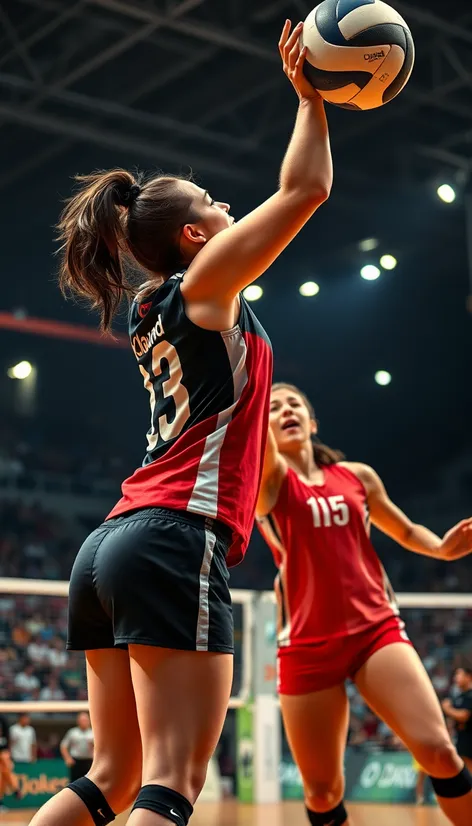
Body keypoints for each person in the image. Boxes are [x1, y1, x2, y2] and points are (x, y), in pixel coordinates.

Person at [29, 21, 332, 826]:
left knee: (112, 777)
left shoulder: (153, 303)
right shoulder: (201, 286)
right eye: (214, 203)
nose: (230, 204)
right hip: (172, 537)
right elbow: (306, 191)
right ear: (195, 238)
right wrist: (312, 99)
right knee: (170, 782)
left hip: (109, 545)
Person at [256, 382, 472, 826]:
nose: (286, 410)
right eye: (274, 408)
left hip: (375, 630)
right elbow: (257, 434)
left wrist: (442, 550)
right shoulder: (269, 479)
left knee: (438, 751)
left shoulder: (358, 476)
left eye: (295, 404)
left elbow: (407, 530)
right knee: (321, 792)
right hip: (306, 645)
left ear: (313, 422)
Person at [443, 661, 472, 773]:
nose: (456, 678)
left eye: (459, 675)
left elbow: (464, 716)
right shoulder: (459, 696)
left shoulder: (470, 695)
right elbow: (453, 720)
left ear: (469, 677)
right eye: (455, 675)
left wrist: (447, 709)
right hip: (461, 738)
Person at [61, 713, 94, 783]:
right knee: (75, 782)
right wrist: (68, 758)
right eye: (82, 720)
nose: (84, 722)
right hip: (76, 761)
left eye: (86, 720)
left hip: (89, 762)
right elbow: (63, 746)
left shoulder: (93, 733)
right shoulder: (72, 732)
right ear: (78, 721)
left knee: (89, 783)